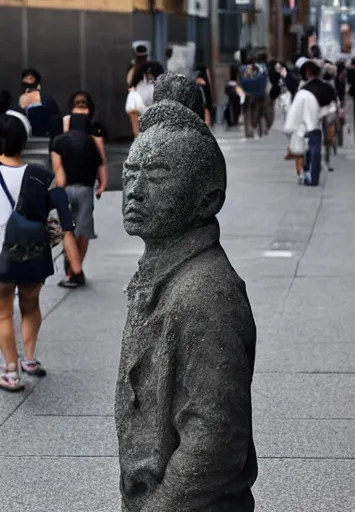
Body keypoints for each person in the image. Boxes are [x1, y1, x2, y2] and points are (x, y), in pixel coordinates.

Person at [116, 77, 257, 511]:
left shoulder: (205, 292)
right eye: (130, 173)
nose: (135, 191)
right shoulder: (161, 275)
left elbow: (216, 439)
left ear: (206, 199)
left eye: (156, 176)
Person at [0, 113, 80, 391]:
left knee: (3, 314)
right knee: (31, 306)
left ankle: (10, 371)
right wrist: (74, 259)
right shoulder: (40, 175)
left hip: (0, 257)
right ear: (23, 142)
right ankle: (30, 359)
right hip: (33, 254)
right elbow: (65, 218)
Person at [51, 114, 106, 288]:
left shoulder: (59, 141)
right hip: (86, 190)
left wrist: (59, 191)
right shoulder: (91, 142)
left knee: (67, 230)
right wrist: (102, 185)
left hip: (66, 189)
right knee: (83, 231)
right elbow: (100, 165)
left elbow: (59, 171)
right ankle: (76, 270)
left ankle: (73, 271)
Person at [284, 58, 336, 186]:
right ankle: (314, 175)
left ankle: (306, 175)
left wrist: (290, 130)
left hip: (304, 126)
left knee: (305, 151)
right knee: (315, 149)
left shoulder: (303, 91)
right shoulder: (326, 88)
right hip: (318, 125)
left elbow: (294, 112)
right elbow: (332, 108)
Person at [125, 61, 165, 137]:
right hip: (144, 123)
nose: (149, 75)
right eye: (147, 73)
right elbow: (134, 113)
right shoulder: (138, 88)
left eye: (150, 73)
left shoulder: (162, 86)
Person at [19, 68, 61, 138]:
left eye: (30, 77)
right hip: (26, 134)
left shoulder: (45, 96)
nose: (27, 79)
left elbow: (55, 116)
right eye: (25, 77)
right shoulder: (22, 97)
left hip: (44, 134)